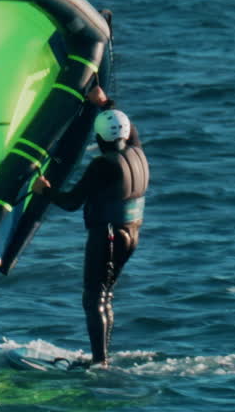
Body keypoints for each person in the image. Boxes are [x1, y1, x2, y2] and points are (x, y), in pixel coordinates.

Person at [32, 84, 149, 368]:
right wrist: (106, 103)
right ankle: (102, 358)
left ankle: (100, 362)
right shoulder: (136, 152)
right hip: (131, 233)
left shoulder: (103, 164)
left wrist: (44, 190)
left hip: (107, 235)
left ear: (99, 137)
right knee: (105, 294)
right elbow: (127, 127)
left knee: (94, 297)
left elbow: (72, 202)